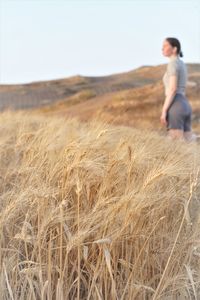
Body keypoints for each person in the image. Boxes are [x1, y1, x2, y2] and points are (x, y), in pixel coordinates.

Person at [161, 37, 197, 142]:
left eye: (165, 46)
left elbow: (172, 89)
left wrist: (164, 111)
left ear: (174, 49)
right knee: (190, 142)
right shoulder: (181, 63)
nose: (162, 49)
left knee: (176, 144)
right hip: (185, 104)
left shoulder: (172, 63)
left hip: (176, 105)